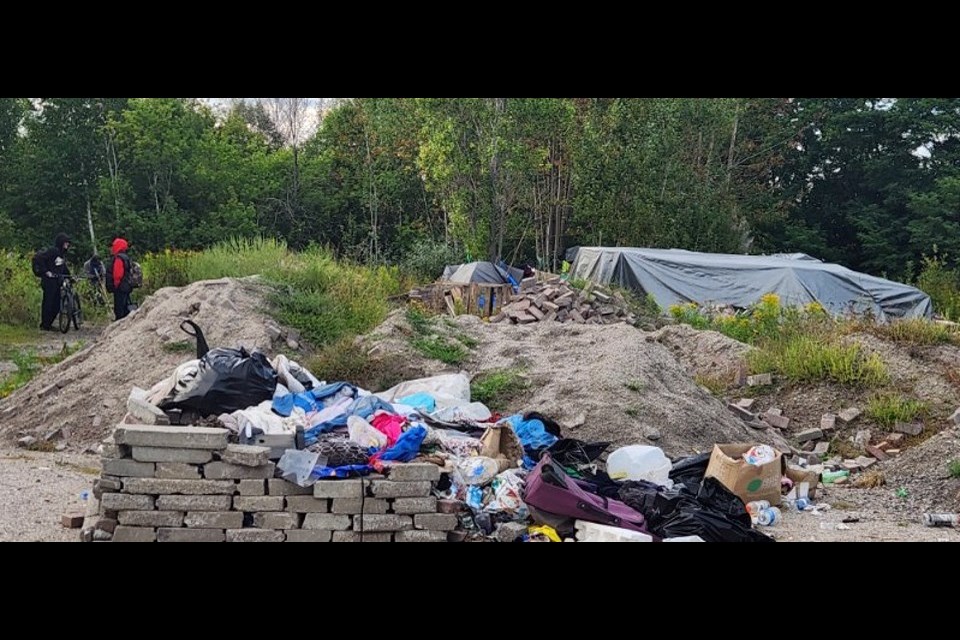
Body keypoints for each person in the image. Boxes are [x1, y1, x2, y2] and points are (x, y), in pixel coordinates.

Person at [33, 232, 71, 331]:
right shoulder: (53, 251)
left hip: (57, 281)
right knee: (48, 303)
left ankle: (48, 323)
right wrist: (46, 271)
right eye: (66, 243)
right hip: (49, 281)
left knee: (57, 304)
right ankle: (45, 325)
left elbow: (63, 268)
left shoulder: (61, 255)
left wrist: (70, 277)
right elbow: (39, 258)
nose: (68, 245)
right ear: (61, 243)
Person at [108, 237, 134, 321]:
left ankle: (119, 328)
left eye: (114, 246)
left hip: (120, 287)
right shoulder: (126, 257)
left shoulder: (119, 258)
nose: (112, 248)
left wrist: (115, 285)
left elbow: (117, 274)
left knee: (119, 310)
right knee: (125, 307)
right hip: (126, 286)